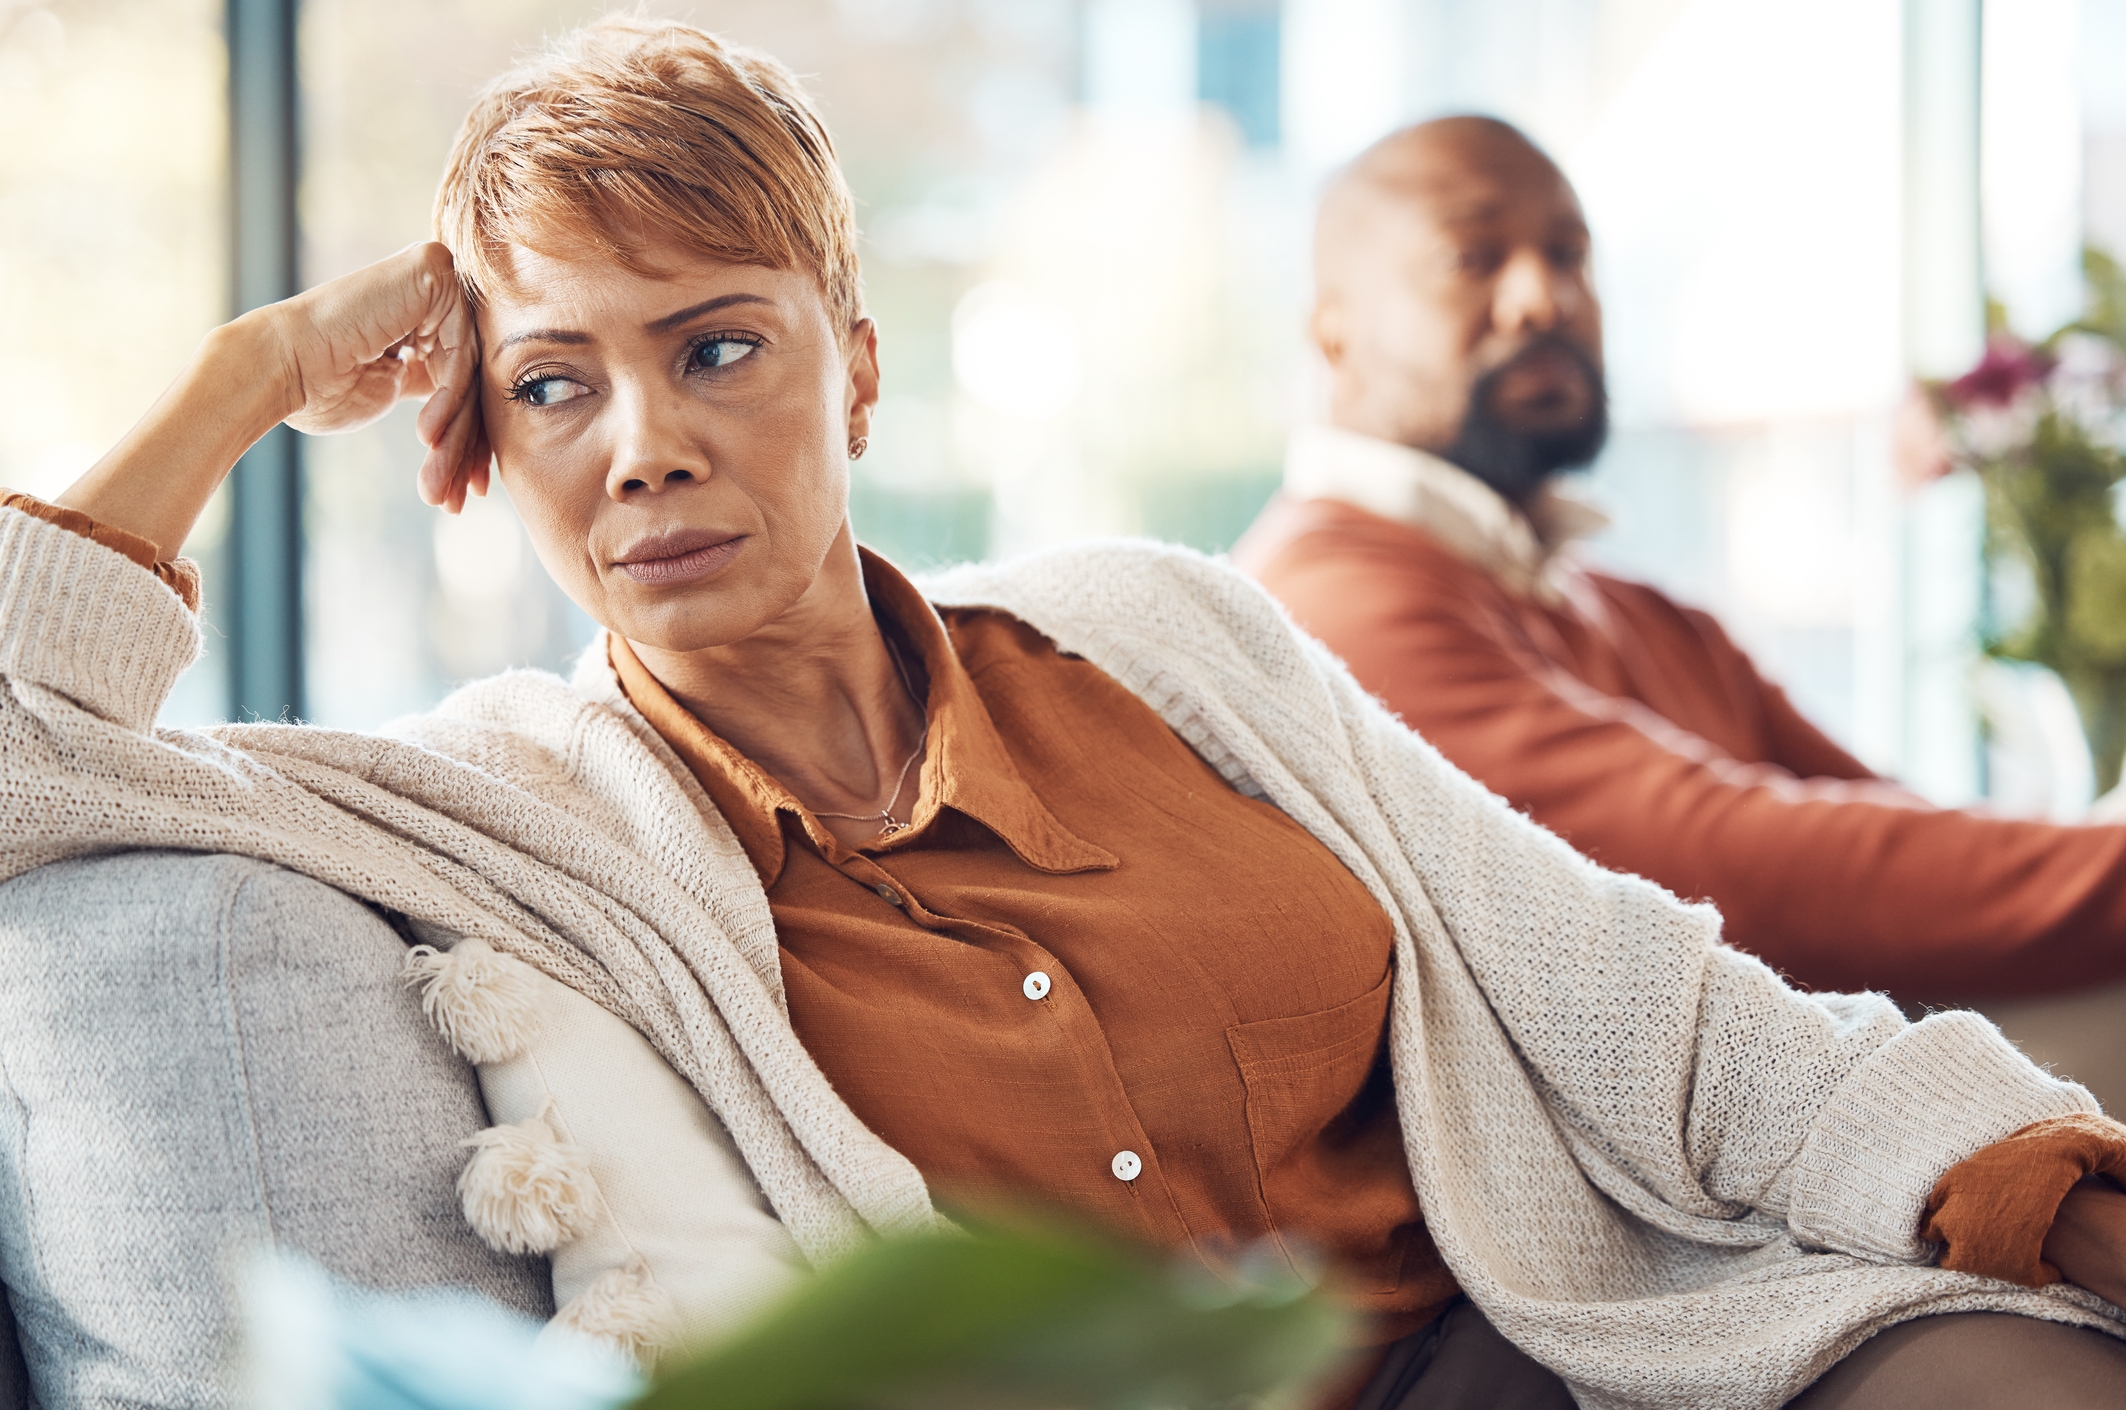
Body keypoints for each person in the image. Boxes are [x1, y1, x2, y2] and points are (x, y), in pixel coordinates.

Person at [3, 22, 2126, 1408]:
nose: (639, 444)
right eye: (555, 381)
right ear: (477, 439)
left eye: (717, 350)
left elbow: (1652, 1007)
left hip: (1567, 1346)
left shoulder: (1163, 633)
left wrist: (2045, 1184)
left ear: (853, 366)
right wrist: (257, 374)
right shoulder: (509, 811)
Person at [1233, 116, 2126, 1016]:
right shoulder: (1326, 609)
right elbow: (1739, 870)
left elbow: (1905, 844)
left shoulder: (1647, 615)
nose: (1543, 297)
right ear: (1333, 331)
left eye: (1570, 254)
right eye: (1471, 257)